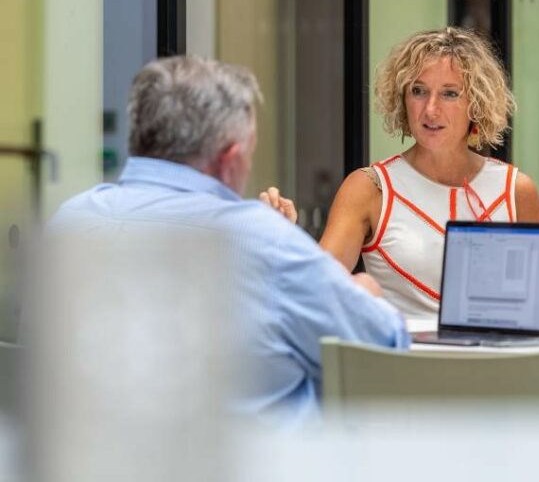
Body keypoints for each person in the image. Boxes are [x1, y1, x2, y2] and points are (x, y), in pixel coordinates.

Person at [50, 55, 410, 425]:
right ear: (231, 158)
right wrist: (364, 290)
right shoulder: (265, 242)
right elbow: (383, 346)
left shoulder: (72, 220)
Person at [262, 27, 539, 318]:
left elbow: (535, 311)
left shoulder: (516, 190)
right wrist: (282, 238)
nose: (430, 110)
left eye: (449, 93)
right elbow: (314, 290)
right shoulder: (370, 188)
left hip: (494, 361)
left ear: (477, 103)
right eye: (418, 91)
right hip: (401, 359)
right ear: (402, 99)